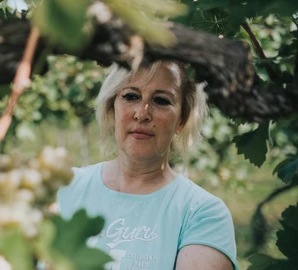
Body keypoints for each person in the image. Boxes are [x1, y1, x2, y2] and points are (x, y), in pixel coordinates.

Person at [57, 60, 239, 270]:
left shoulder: (202, 214)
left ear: (182, 119)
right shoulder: (62, 187)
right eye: (131, 96)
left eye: (161, 100)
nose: (142, 114)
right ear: (111, 108)